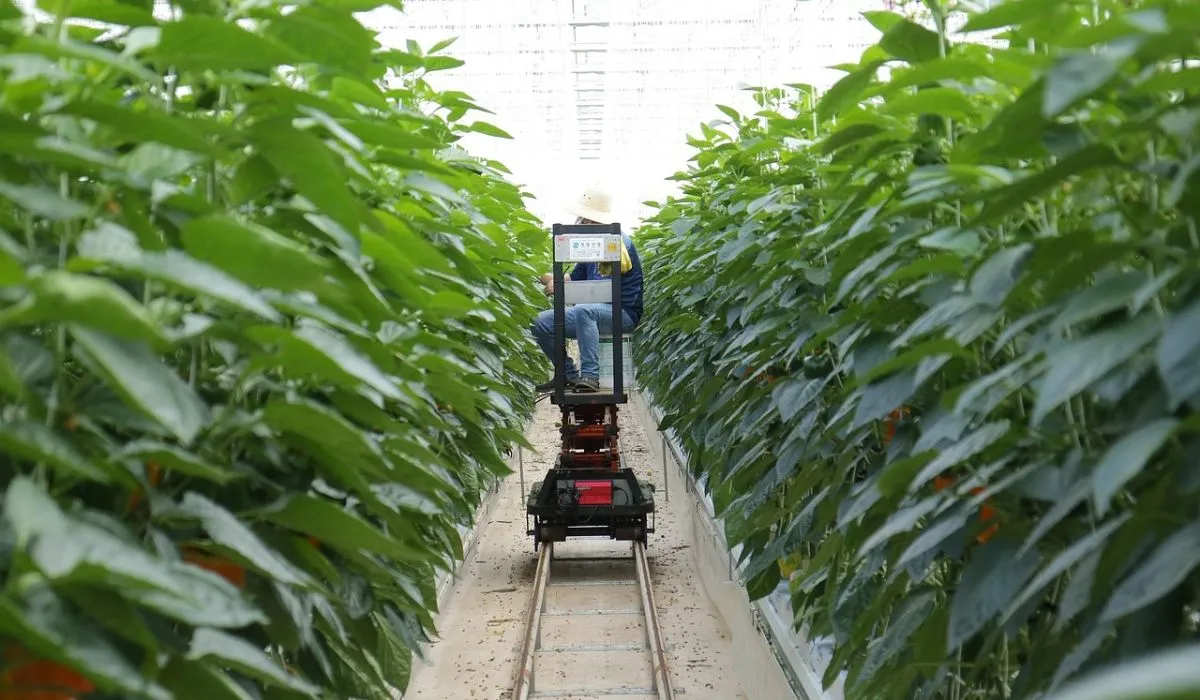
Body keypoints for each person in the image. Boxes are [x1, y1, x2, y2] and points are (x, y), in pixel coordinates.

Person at [531, 185, 643, 393]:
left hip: (622, 314)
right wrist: (543, 276)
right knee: (541, 323)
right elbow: (573, 279)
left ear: (592, 220)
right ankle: (567, 374)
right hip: (592, 314)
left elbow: (597, 291)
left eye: (582, 219)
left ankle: (590, 375)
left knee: (584, 309)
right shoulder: (591, 246)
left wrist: (561, 288)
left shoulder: (618, 244)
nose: (579, 223)